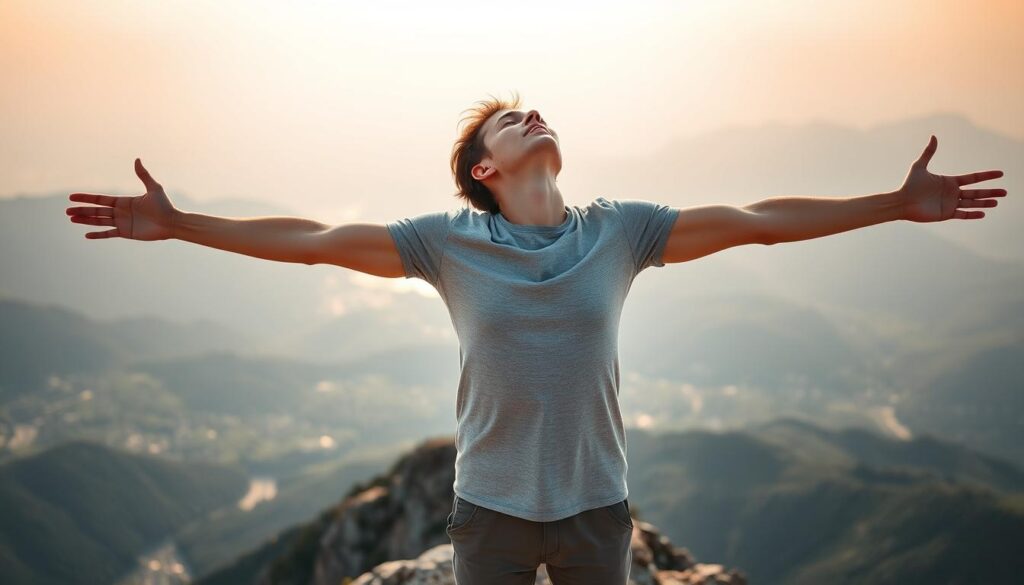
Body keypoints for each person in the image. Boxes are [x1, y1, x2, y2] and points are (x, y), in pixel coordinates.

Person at [65, 92, 1006, 585]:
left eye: (534, 108)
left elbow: (757, 218)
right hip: (493, 517)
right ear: (486, 167)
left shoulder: (621, 230)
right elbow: (313, 243)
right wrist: (183, 223)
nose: (533, 113)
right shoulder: (448, 242)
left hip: (599, 509)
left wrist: (892, 204)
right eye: (511, 120)